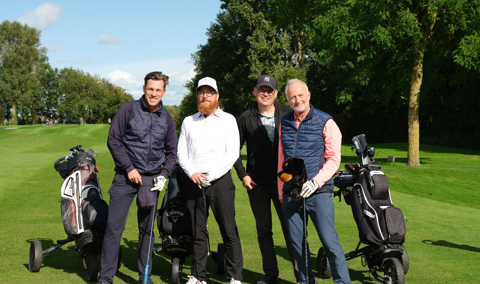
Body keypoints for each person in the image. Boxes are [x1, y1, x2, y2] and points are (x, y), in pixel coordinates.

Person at [98, 71, 178, 284]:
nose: (153, 93)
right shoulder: (128, 109)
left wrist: (164, 174)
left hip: (151, 181)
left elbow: (172, 152)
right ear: (144, 89)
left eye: (158, 90)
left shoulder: (167, 118)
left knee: (147, 231)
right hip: (125, 178)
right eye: (150, 89)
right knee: (114, 228)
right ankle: (105, 278)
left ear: (164, 92)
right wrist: (129, 168)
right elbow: (113, 140)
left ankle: (145, 276)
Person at [278, 79, 351, 284]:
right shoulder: (285, 122)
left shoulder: (326, 121)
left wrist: (316, 182)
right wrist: (280, 190)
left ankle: (343, 282)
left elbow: (334, 159)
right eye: (292, 96)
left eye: (300, 95)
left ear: (308, 95)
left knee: (329, 242)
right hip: (291, 192)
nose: (297, 99)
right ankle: (305, 280)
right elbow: (281, 158)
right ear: (288, 99)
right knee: (296, 243)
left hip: (317, 192)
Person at [177, 77, 243, 284]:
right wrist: (193, 174)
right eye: (201, 92)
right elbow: (181, 153)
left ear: (217, 96)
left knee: (228, 230)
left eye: (209, 92)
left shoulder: (229, 119)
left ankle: (235, 277)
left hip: (220, 182)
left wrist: (211, 175)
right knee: (197, 232)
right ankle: (198, 277)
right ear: (197, 95)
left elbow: (232, 153)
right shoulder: (189, 121)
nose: (205, 95)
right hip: (194, 181)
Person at [233, 75, 298, 284]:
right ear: (255, 92)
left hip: (284, 183)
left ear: (276, 94)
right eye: (261, 89)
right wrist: (243, 174)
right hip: (257, 184)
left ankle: (301, 276)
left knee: (291, 230)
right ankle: (271, 274)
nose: (265, 93)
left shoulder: (288, 113)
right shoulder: (245, 118)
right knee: (264, 231)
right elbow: (233, 150)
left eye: (269, 90)